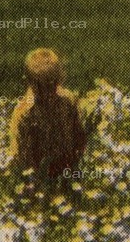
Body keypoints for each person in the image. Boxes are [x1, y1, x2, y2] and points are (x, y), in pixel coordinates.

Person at [9, 48, 89, 185]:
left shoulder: (68, 101)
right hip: (37, 175)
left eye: (52, 85)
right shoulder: (24, 113)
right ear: (28, 82)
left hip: (68, 168)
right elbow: (19, 157)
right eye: (41, 87)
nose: (47, 93)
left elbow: (79, 137)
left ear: (60, 80)